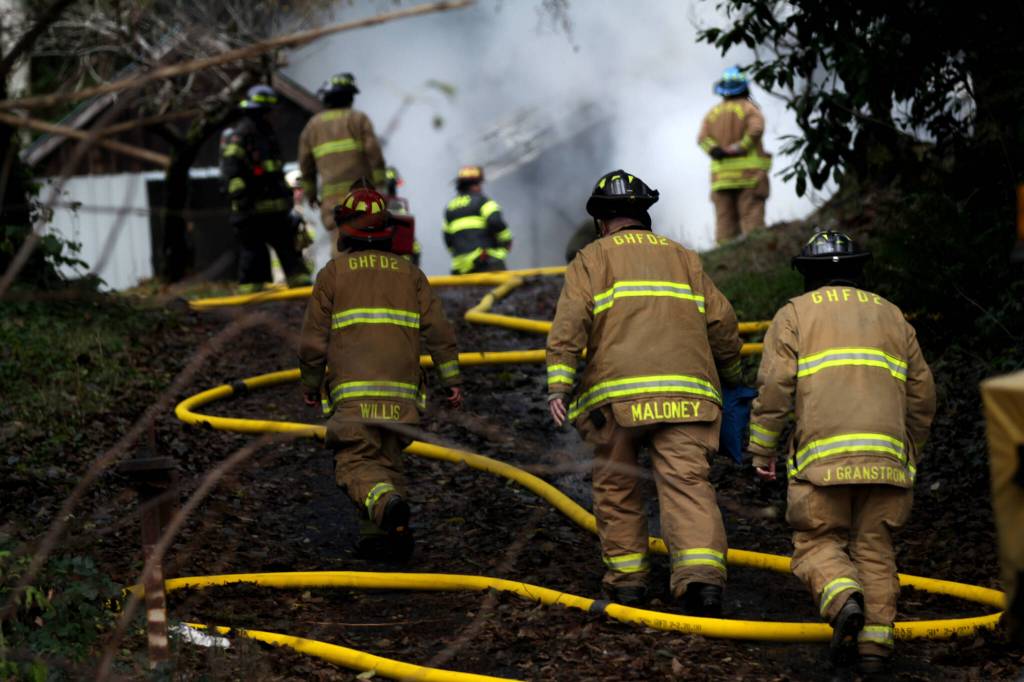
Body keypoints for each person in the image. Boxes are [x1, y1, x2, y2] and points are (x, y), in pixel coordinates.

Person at [546, 170, 744, 612]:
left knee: (617, 484)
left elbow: (568, 325)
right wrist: (732, 374)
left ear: (601, 221)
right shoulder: (684, 258)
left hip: (618, 402)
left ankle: (629, 582)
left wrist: (559, 383)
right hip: (688, 397)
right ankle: (701, 580)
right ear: (645, 215)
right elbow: (722, 324)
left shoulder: (591, 259)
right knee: (688, 484)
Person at [748, 230, 936, 673]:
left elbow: (775, 386)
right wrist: (909, 451)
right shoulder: (893, 316)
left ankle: (843, 597)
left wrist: (762, 448)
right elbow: (923, 395)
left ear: (808, 275)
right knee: (875, 548)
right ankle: (874, 647)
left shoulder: (795, 313)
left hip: (822, 464)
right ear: (858, 270)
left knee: (816, 541)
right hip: (888, 463)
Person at [298, 187, 464, 561]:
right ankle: (386, 537)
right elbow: (439, 332)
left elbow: (313, 339)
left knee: (355, 461)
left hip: (354, 396)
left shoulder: (333, 274)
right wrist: (451, 379)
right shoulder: (410, 274)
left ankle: (386, 507)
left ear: (345, 228)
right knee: (387, 461)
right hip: (402, 395)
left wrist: (310, 381)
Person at [219, 84, 310, 289]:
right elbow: (231, 172)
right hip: (252, 211)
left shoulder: (266, 134)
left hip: (276, 210)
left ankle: (302, 291)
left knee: (289, 251)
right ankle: (254, 300)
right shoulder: (241, 134)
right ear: (261, 111)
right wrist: (244, 201)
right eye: (270, 111)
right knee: (254, 256)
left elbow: (274, 172)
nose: (273, 116)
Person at [298, 73, 387, 254]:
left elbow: (306, 167)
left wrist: (311, 194)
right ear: (350, 97)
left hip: (332, 202)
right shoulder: (358, 119)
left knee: (341, 244)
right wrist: (381, 187)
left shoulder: (312, 127)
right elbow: (375, 156)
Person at [697, 66, 773, 244]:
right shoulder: (749, 108)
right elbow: (757, 128)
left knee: (725, 226)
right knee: (752, 220)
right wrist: (741, 147)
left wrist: (715, 150)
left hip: (722, 179)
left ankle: (726, 264)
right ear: (744, 87)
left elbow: (702, 139)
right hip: (750, 177)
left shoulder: (713, 113)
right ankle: (755, 259)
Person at [442, 165, 512, 274]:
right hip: (485, 261)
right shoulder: (484, 202)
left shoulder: (449, 208)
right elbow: (495, 221)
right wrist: (507, 241)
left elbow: (447, 239)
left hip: (460, 268)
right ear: (476, 185)